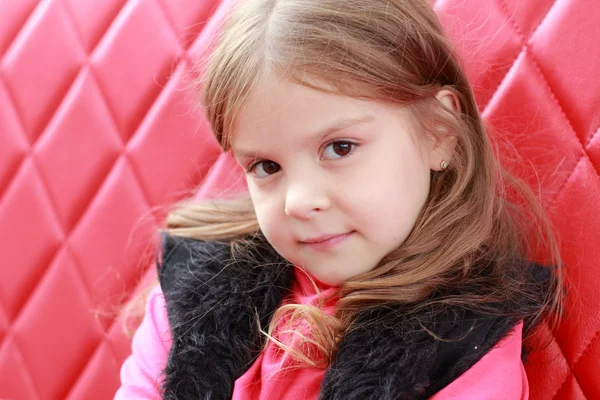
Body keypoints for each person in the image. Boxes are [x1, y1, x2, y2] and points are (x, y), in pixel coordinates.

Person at [115, 0, 563, 398]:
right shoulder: (192, 294)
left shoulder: (462, 347)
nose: (299, 201)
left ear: (438, 132)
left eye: (340, 148)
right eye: (266, 167)